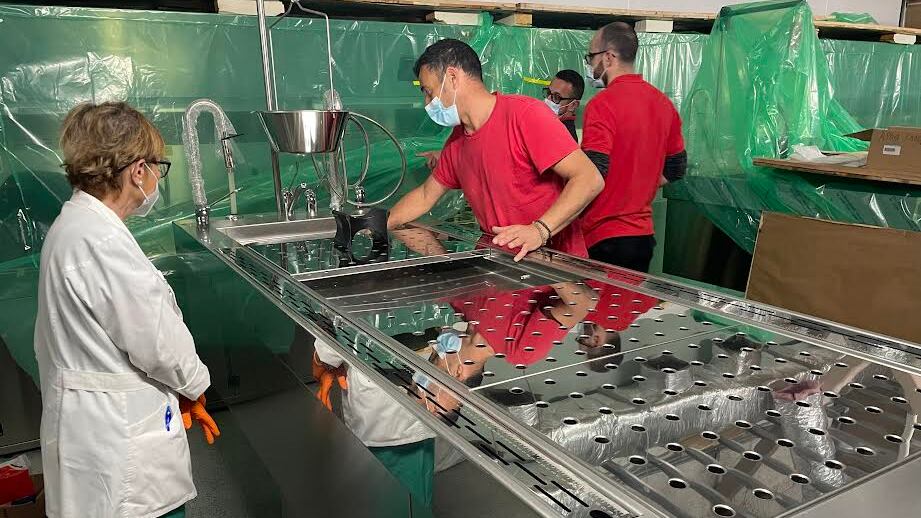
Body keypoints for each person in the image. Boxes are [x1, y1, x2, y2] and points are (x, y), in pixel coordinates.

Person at [34, 102, 219, 518]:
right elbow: (158, 344)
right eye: (157, 168)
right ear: (138, 171)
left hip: (94, 434)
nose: (156, 179)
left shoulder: (75, 226)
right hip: (121, 455)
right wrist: (195, 385)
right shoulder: (101, 241)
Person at [390, 38, 604, 261]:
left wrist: (540, 230)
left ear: (452, 77)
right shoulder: (457, 141)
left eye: (429, 91)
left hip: (552, 264)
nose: (427, 103)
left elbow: (589, 178)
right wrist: (377, 225)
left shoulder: (524, 115)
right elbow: (425, 195)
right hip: (498, 262)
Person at [581, 22, 688, 273]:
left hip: (603, 237)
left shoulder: (602, 105)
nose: (589, 64)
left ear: (608, 57)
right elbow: (676, 167)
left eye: (591, 57)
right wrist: (638, 186)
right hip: (641, 239)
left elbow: (593, 173)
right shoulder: (663, 103)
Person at [543, 69, 585, 142]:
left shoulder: (567, 139)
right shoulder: (548, 124)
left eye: (556, 97)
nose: (548, 99)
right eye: (548, 92)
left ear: (573, 105)